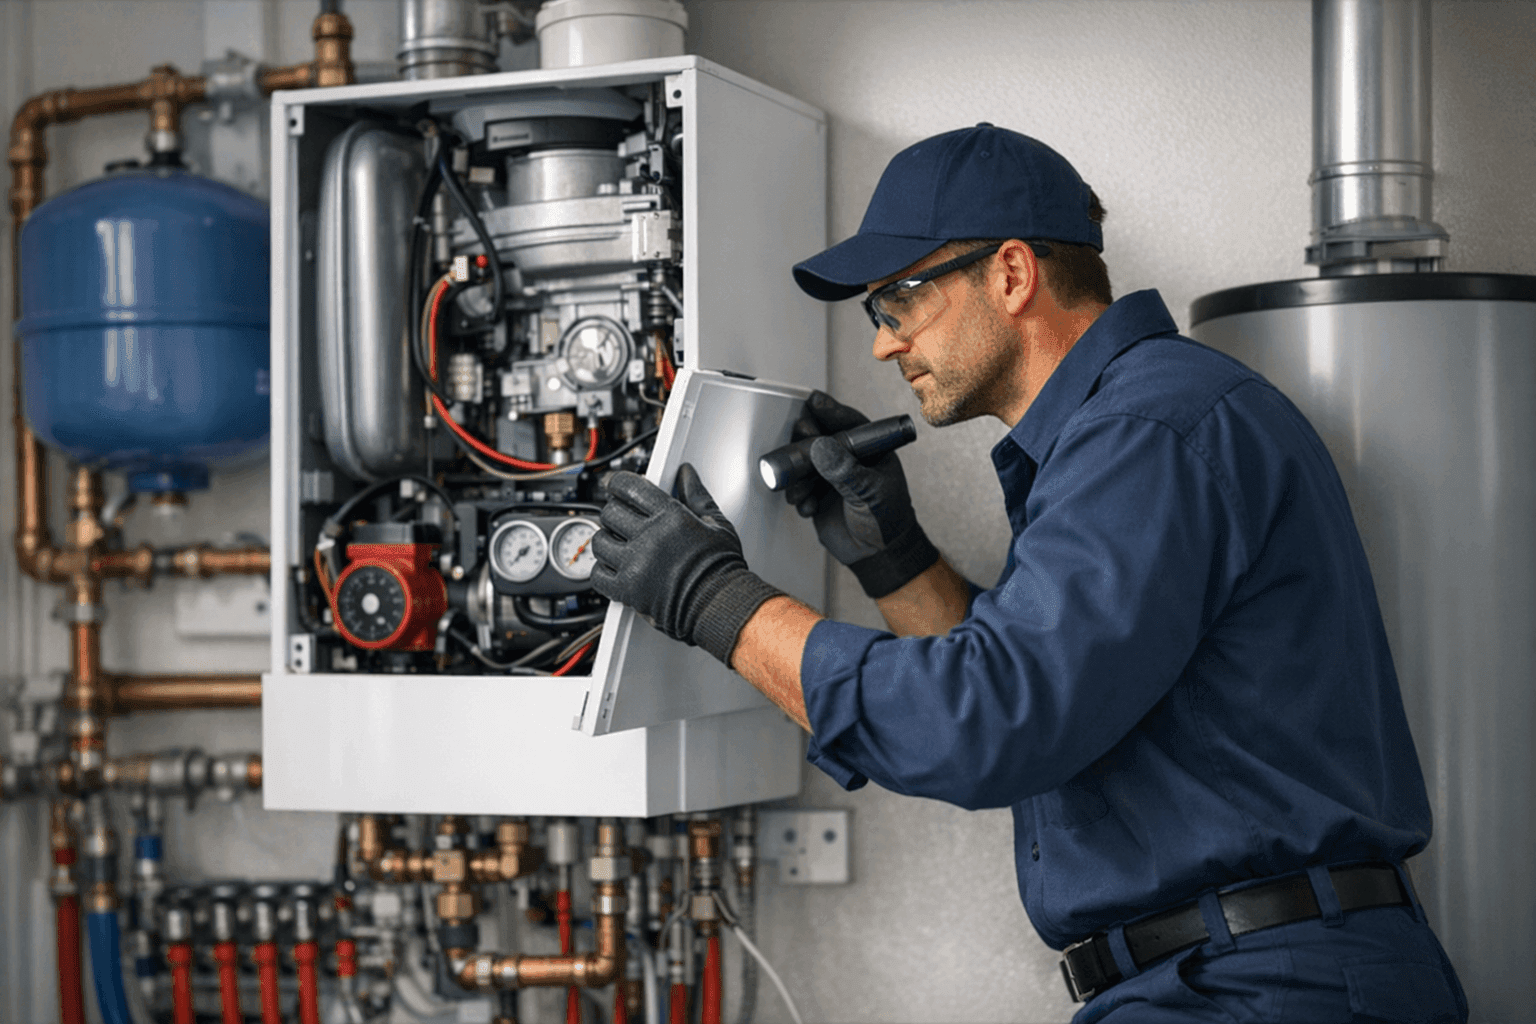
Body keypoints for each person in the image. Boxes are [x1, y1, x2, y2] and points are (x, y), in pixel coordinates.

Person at [589, 124, 1467, 1023]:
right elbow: (1037, 698)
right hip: (1232, 977)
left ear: (1012, 274)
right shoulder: (1129, 427)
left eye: (900, 299)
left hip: (1253, 988)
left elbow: (991, 719)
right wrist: (895, 555)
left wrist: (712, 598)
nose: (885, 344)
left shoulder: (1147, 432)